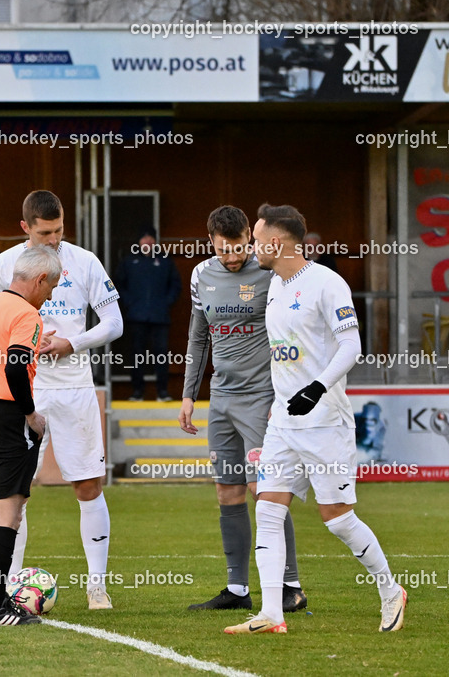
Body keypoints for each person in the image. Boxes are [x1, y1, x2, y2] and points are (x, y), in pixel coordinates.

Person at [225, 204, 406, 635]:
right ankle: (272, 612)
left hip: (324, 420)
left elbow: (350, 347)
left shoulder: (327, 283)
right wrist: (281, 397)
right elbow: (285, 351)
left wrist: (317, 388)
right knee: (268, 508)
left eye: (257, 238)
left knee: (338, 518)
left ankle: (390, 590)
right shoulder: (273, 284)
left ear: (277, 241)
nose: (252, 246)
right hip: (283, 422)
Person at [0, 190, 124, 610]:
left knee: (87, 483)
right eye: (45, 232)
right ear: (24, 227)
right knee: (12, 492)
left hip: (74, 388)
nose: (53, 240)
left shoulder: (84, 262)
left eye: (59, 230)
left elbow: (114, 323)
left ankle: (97, 585)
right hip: (23, 389)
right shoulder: (2, 265)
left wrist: (72, 343)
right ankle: (9, 587)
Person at [179, 205, 306, 613]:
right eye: (222, 250)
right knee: (228, 490)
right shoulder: (202, 275)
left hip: (262, 398)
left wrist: (285, 394)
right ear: (210, 242)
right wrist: (188, 395)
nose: (231, 257)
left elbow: (294, 331)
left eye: (238, 248)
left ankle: (290, 585)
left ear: (250, 236)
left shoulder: (270, 272)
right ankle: (237, 589)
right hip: (222, 399)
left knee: (265, 490)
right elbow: (199, 337)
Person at [0, 245, 59, 627]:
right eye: (50, 287)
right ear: (38, 280)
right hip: (6, 417)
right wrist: (30, 413)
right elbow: (16, 368)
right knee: (9, 515)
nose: (50, 294)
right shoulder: (26, 313)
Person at [114, 227, 180, 401]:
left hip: (160, 317)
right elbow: (118, 285)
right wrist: (129, 303)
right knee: (136, 354)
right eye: (144, 239)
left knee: (161, 354)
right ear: (138, 242)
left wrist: (167, 301)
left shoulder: (165, 261)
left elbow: (176, 284)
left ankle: (163, 392)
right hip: (136, 317)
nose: (148, 242)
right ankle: (137, 392)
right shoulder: (129, 261)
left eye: (151, 238)